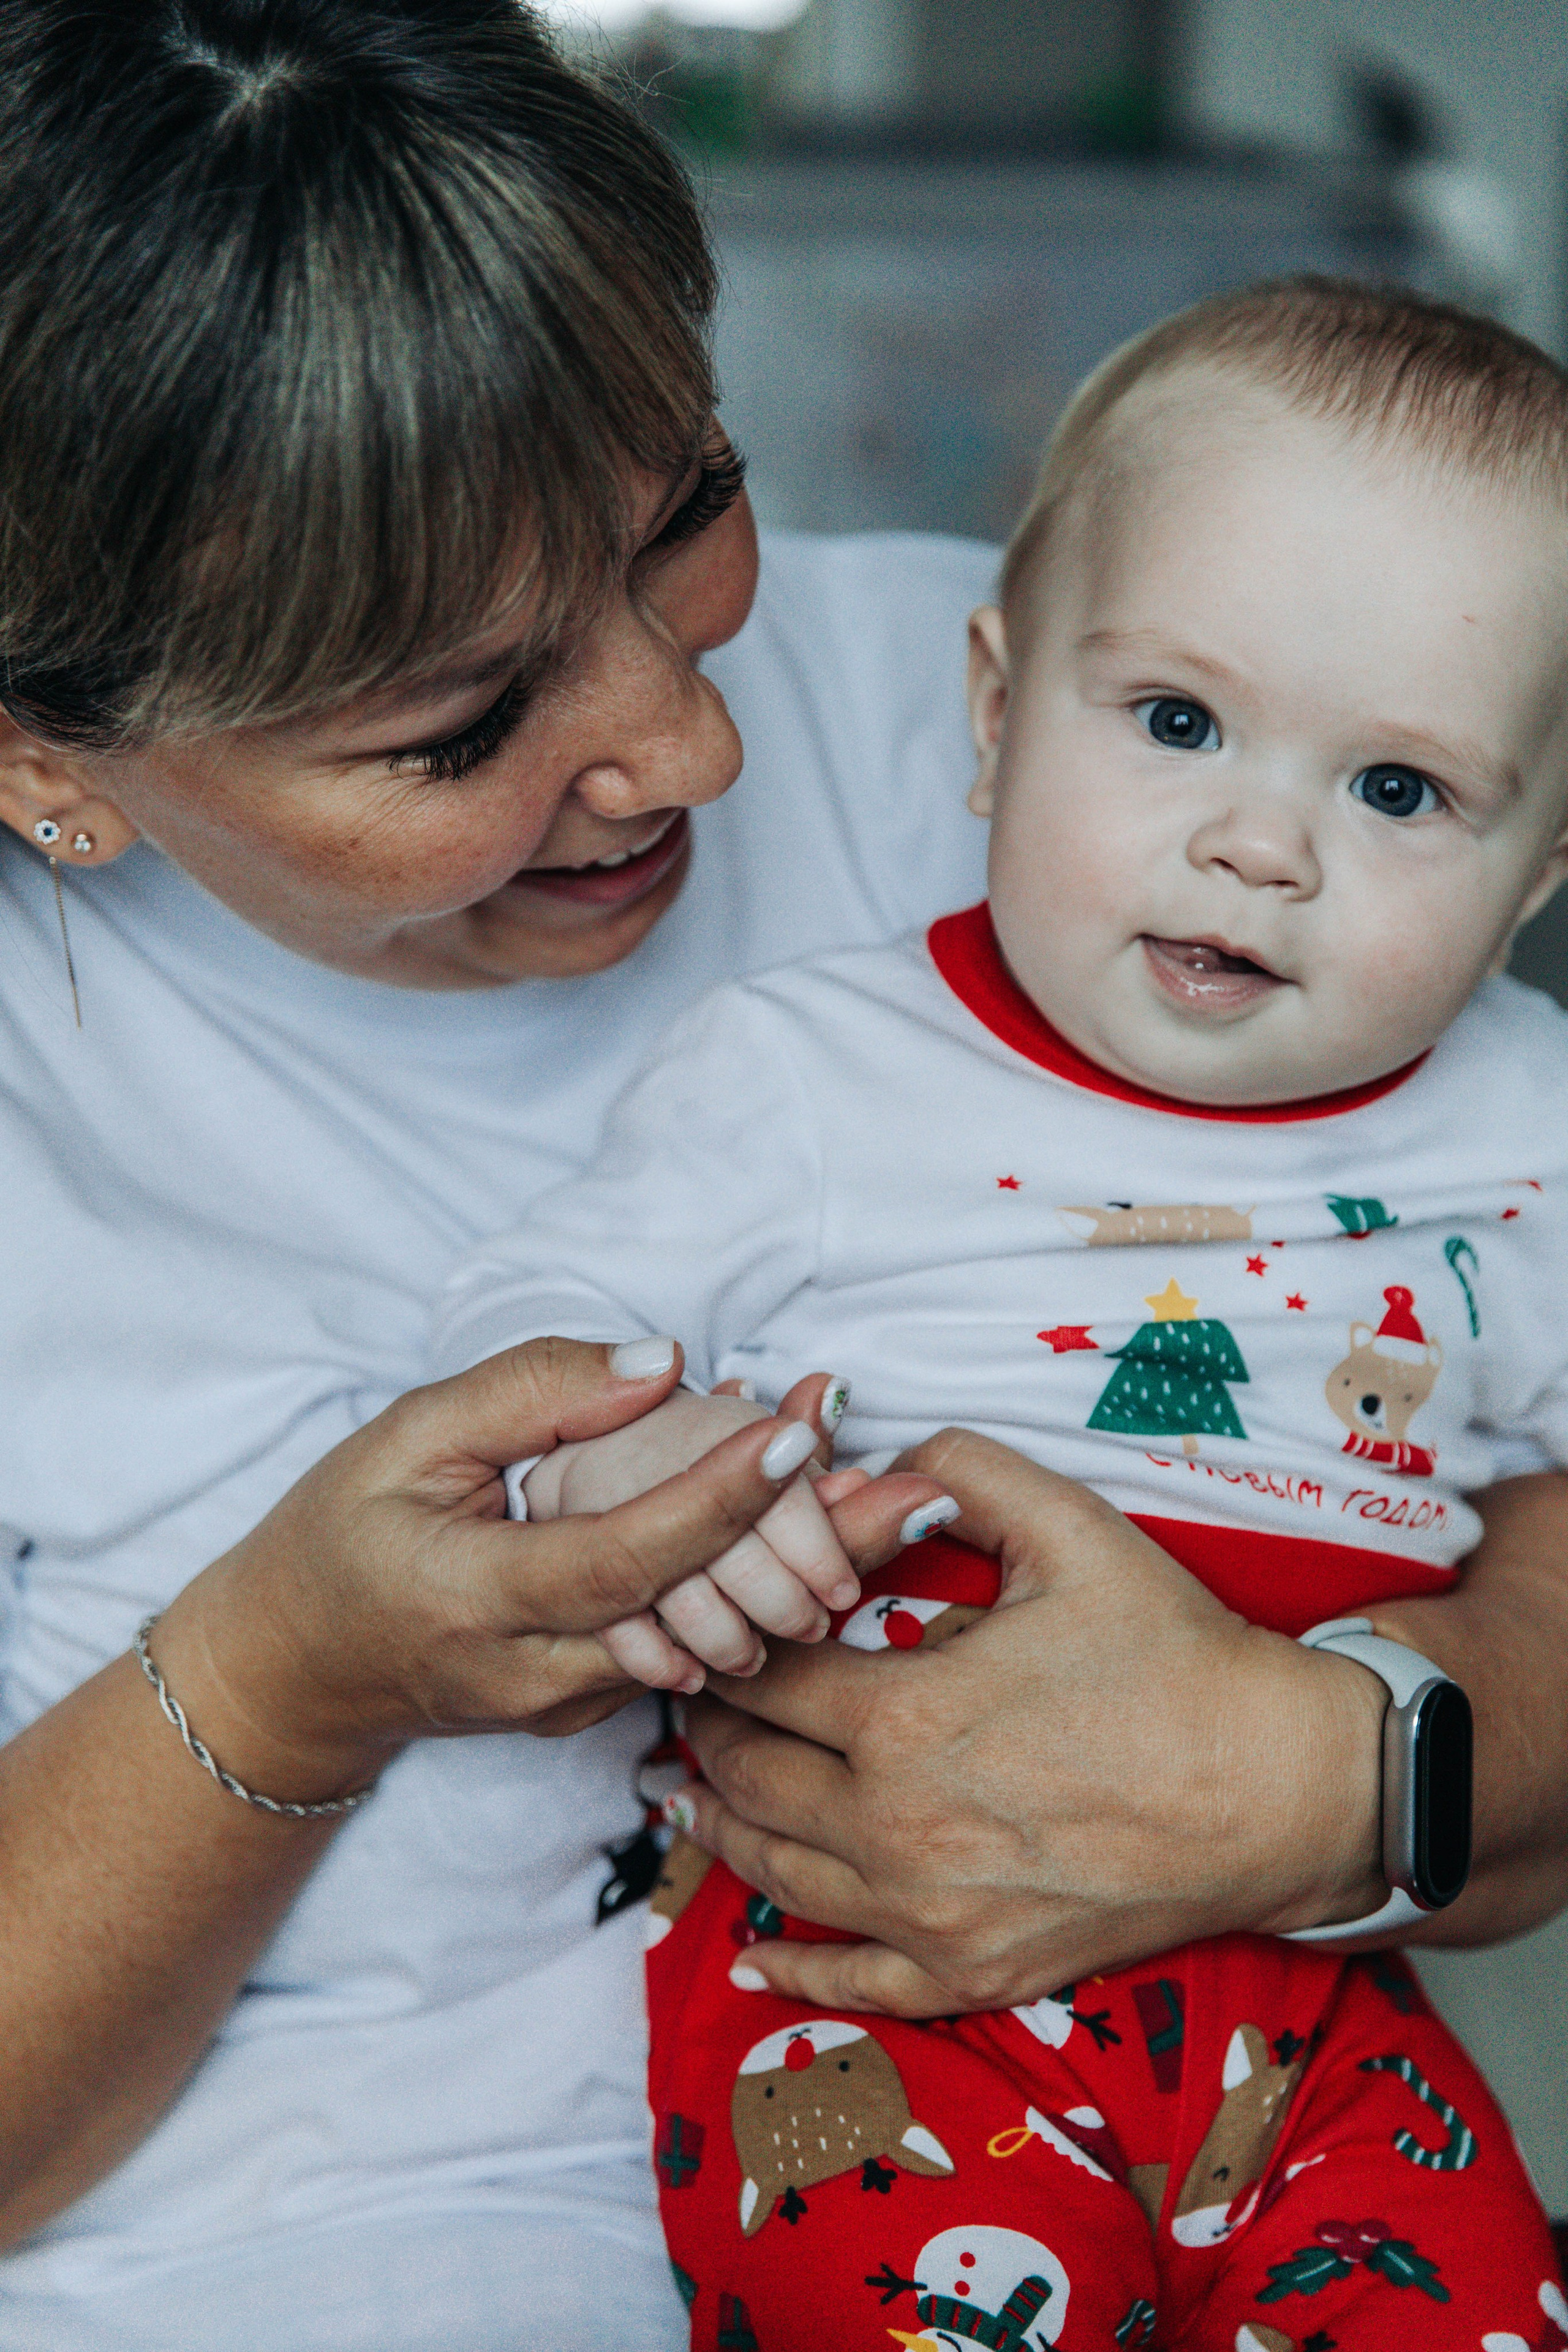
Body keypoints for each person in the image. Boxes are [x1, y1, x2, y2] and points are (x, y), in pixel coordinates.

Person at [0, 6, 1563, 2347]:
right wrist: (300, 1667)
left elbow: (1490, 1406)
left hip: (1220, 2153)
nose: (692, 744)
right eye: (459, 724)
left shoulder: (1136, 736)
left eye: (688, 516)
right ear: (52, 766)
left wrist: (1333, 1772)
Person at [431, 281, 1568, 2345]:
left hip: (1318, 1989)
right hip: (855, 1968)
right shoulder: (814, 1076)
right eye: (1178, 722)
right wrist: (632, 1450)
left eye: (1399, 791)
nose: (1259, 845)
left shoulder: (1534, 1127)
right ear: (994, 705)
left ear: (1543, 869)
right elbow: (534, 1335)